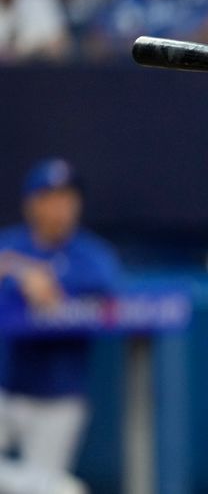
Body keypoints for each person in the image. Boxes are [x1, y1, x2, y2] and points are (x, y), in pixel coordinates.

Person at [0, 159, 120, 494]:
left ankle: (47, 485)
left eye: (67, 198)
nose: (59, 207)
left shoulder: (91, 255)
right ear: (31, 204)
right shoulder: (11, 245)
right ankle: (50, 486)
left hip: (59, 399)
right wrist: (22, 273)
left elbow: (103, 286)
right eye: (49, 197)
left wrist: (49, 286)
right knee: (47, 489)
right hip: (7, 391)